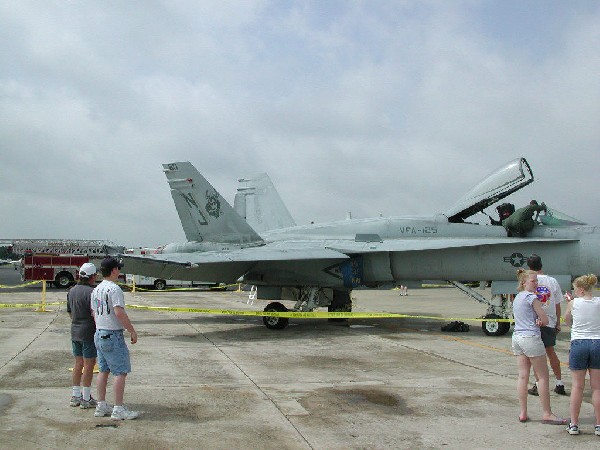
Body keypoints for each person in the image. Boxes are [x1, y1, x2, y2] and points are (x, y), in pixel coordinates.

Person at [511, 268, 567, 425]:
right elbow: (545, 319)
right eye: (533, 281)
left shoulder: (517, 297)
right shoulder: (532, 298)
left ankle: (523, 412)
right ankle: (547, 413)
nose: (536, 283)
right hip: (530, 338)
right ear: (524, 283)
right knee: (542, 376)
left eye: (536, 280)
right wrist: (541, 321)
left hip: (517, 337)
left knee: (523, 376)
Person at [91, 257, 139, 420]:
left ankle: (101, 405)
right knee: (120, 372)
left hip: (99, 333)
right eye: (118, 268)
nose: (119, 271)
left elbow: (93, 313)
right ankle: (118, 409)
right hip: (112, 335)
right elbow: (119, 312)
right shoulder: (114, 289)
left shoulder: (96, 289)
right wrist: (131, 330)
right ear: (113, 271)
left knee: (103, 371)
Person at [525, 255, 567, 397]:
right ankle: (559, 383)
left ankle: (538, 385)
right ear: (541, 264)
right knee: (551, 352)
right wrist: (557, 322)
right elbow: (557, 304)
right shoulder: (552, 281)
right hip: (549, 322)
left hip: (534, 323)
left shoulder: (528, 281)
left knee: (536, 356)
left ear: (529, 266)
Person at [564, 274, 600, 436]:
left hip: (579, 343)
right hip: (597, 342)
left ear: (580, 290)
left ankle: (574, 424)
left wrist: (570, 304)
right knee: (597, 387)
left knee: (577, 386)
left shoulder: (573, 302)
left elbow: (567, 321)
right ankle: (598, 425)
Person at [67, 262, 98, 409]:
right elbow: (95, 314)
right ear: (93, 276)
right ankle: (86, 397)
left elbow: (69, 312)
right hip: (88, 333)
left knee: (78, 364)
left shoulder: (72, 290)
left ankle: (75, 395)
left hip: (75, 331)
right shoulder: (93, 292)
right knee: (89, 365)